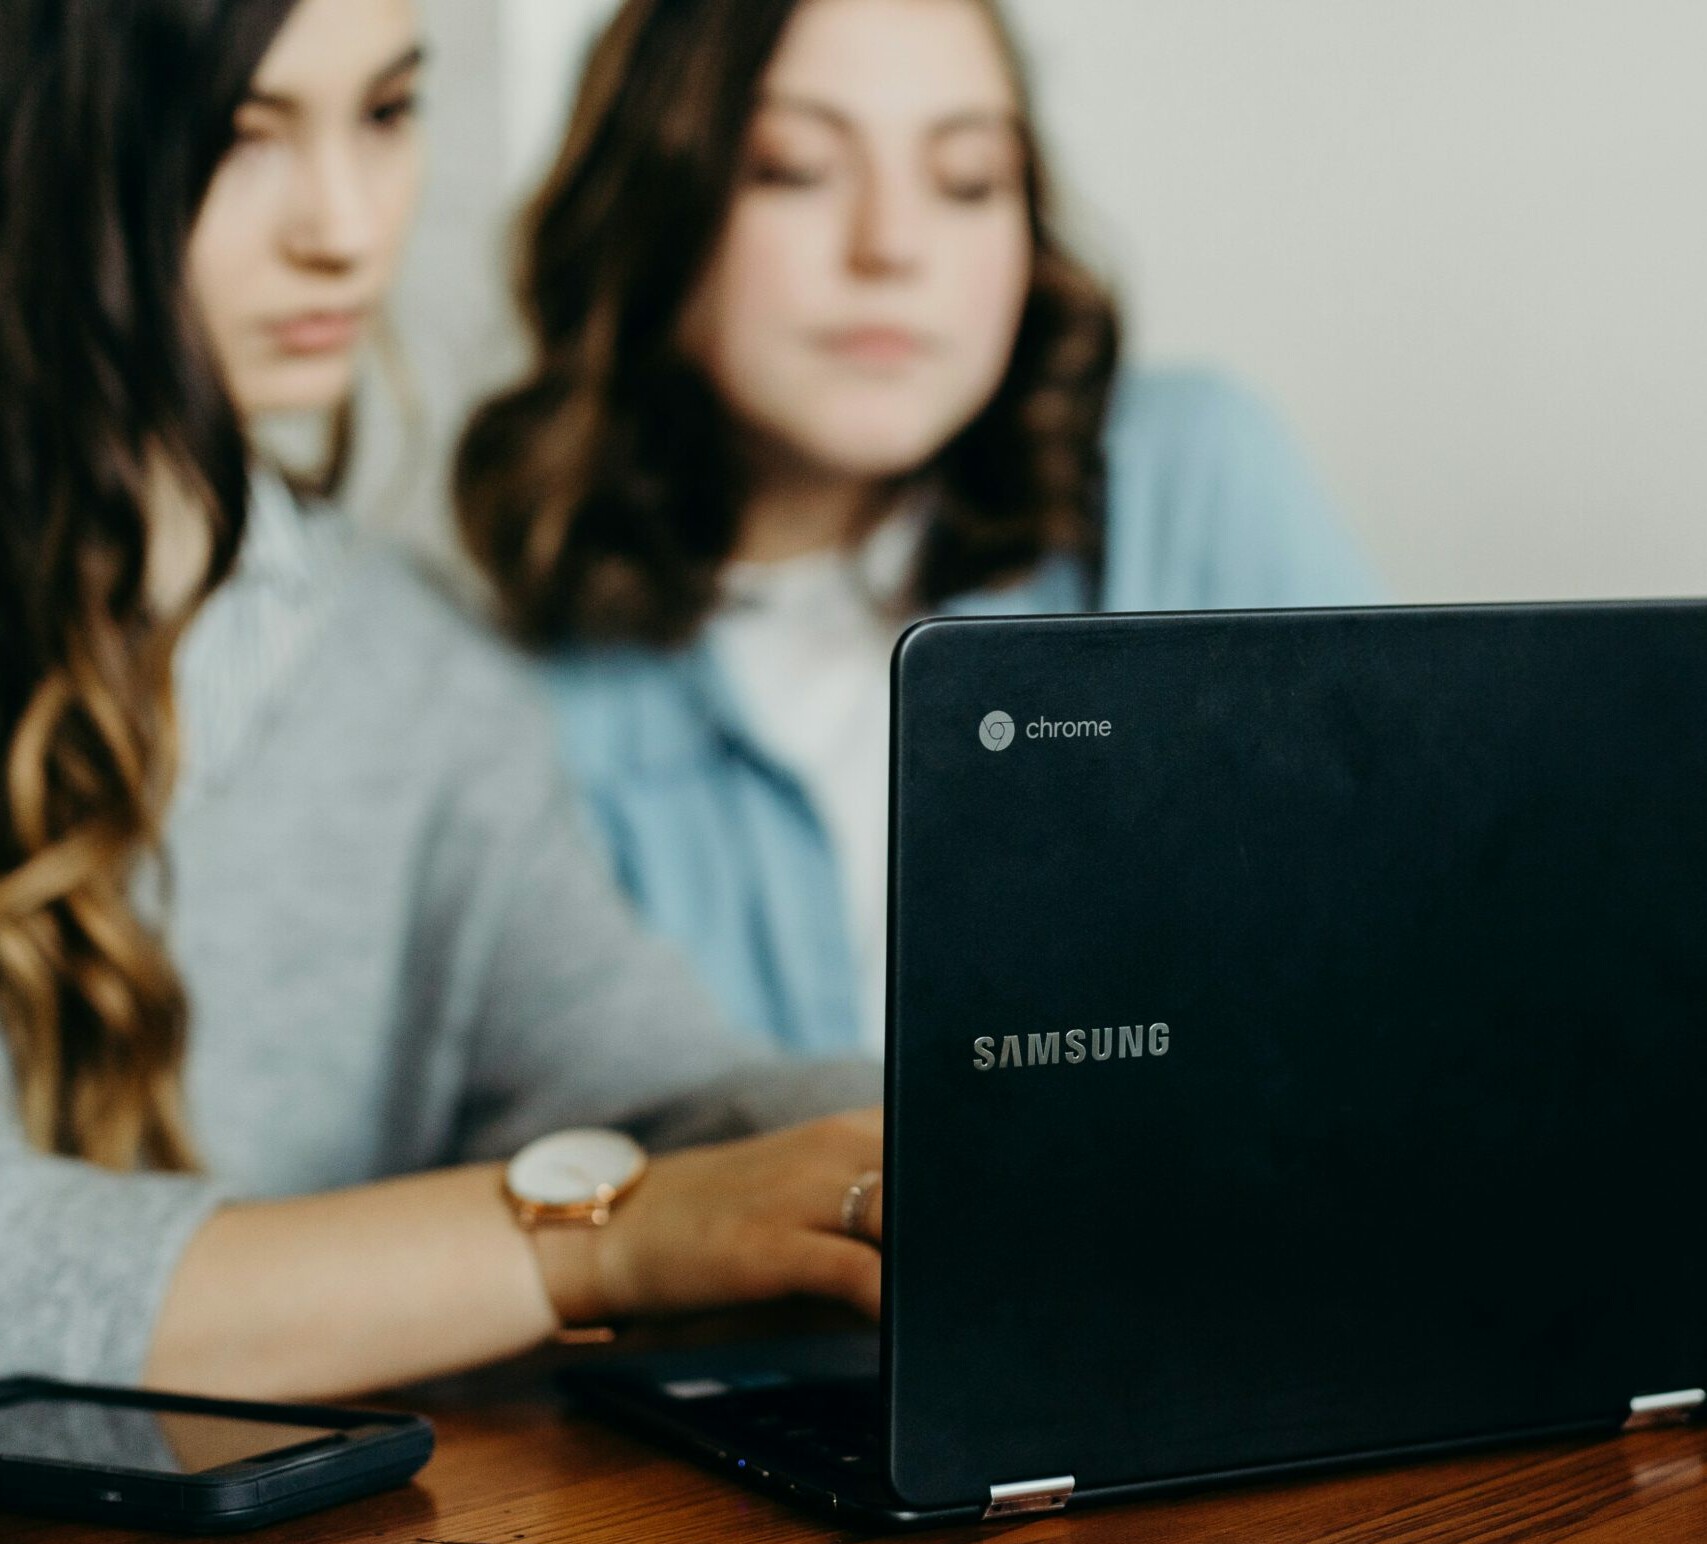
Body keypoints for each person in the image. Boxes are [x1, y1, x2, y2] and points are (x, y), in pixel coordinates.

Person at [0, 0, 889, 1425]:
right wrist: (596, 1239)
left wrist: (947, 1135)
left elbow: (652, 1090)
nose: (345, 228)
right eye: (244, 136)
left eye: (388, 112)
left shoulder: (415, 667)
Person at [456, 0, 1381, 1060]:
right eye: (794, 168)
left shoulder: (1186, 480)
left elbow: (1413, 950)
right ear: (646, 203)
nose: (891, 247)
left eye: (968, 181)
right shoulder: (506, 696)